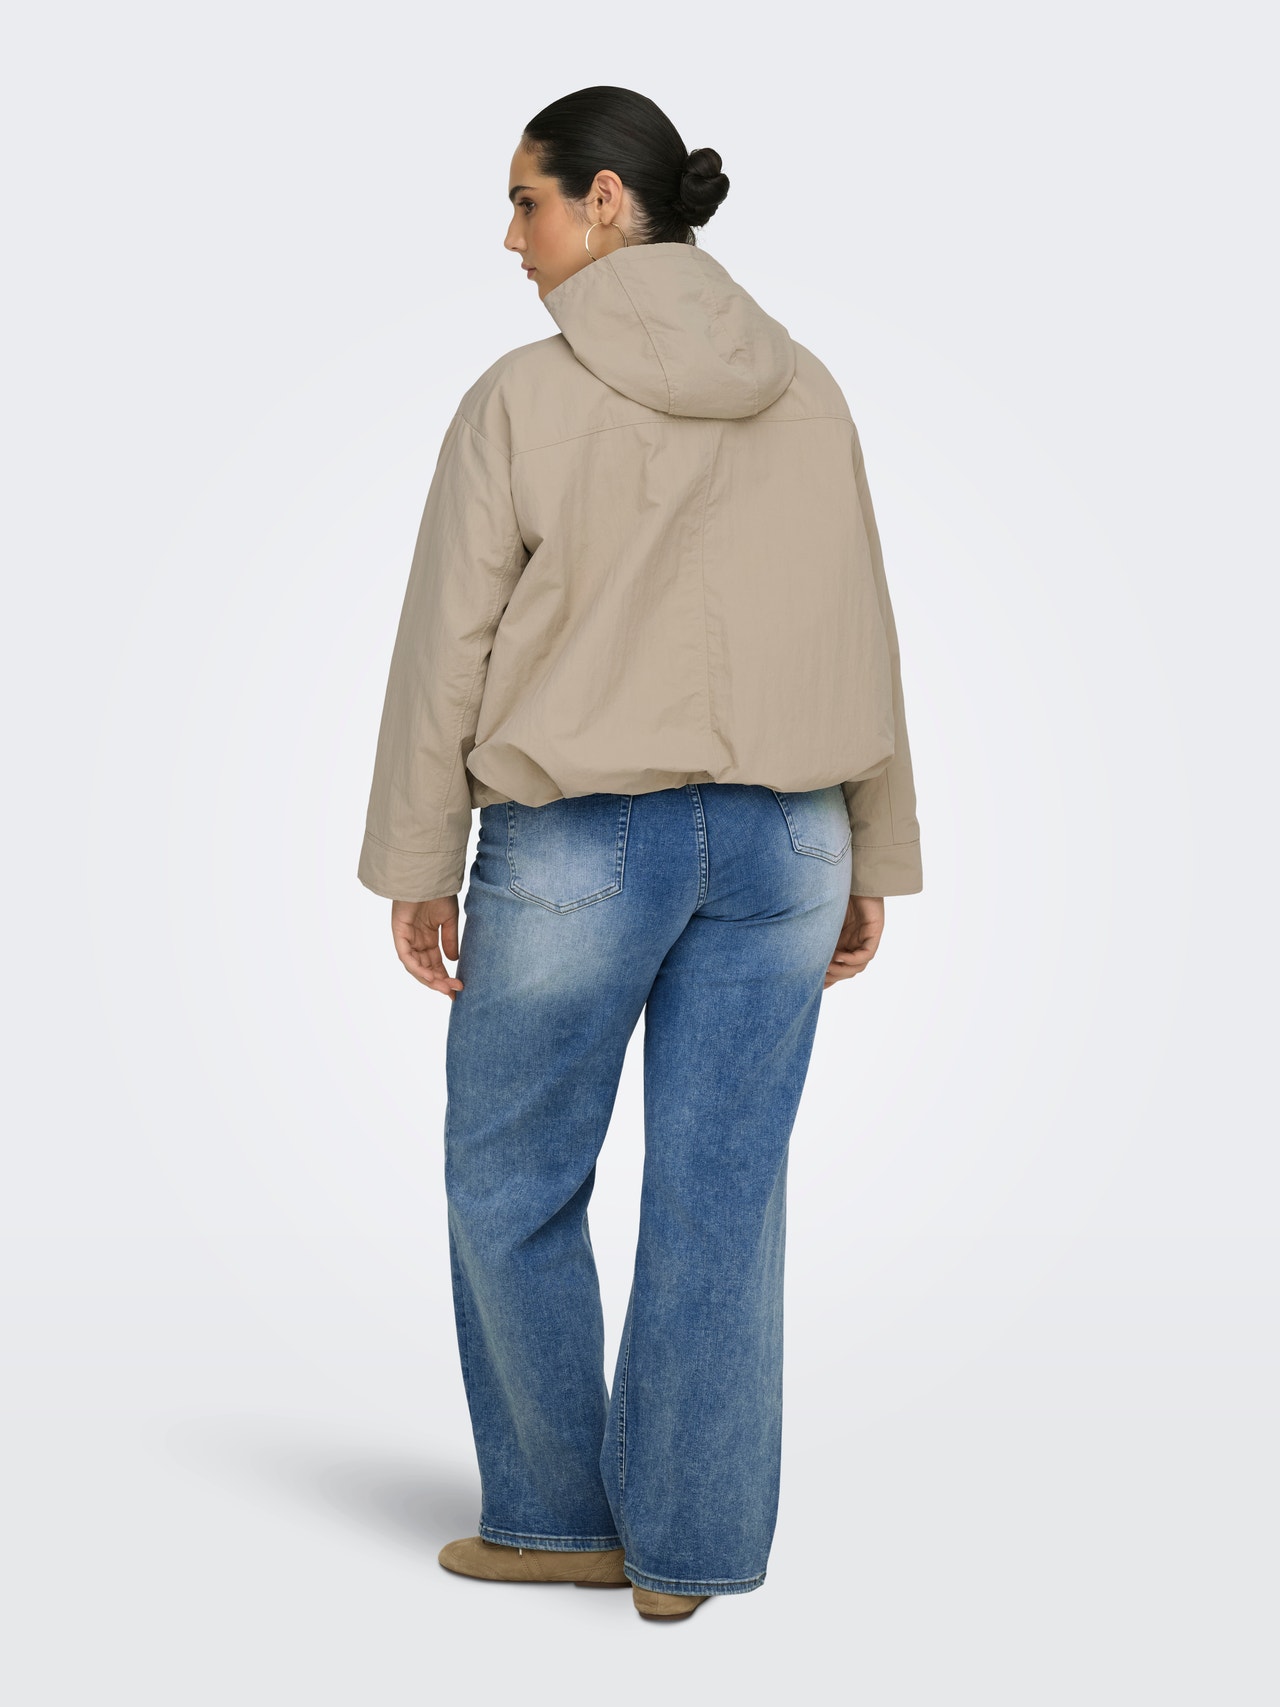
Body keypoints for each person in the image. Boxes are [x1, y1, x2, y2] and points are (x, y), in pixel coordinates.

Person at [357, 85, 923, 1622]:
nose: (512, 237)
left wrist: (418, 855)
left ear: (606, 201)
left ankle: (554, 1522)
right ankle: (687, 1551)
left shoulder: (519, 400)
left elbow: (447, 646)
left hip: (576, 843)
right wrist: (873, 845)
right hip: (789, 841)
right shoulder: (808, 388)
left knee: (513, 1181)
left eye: (527, 201)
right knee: (723, 1193)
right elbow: (861, 626)